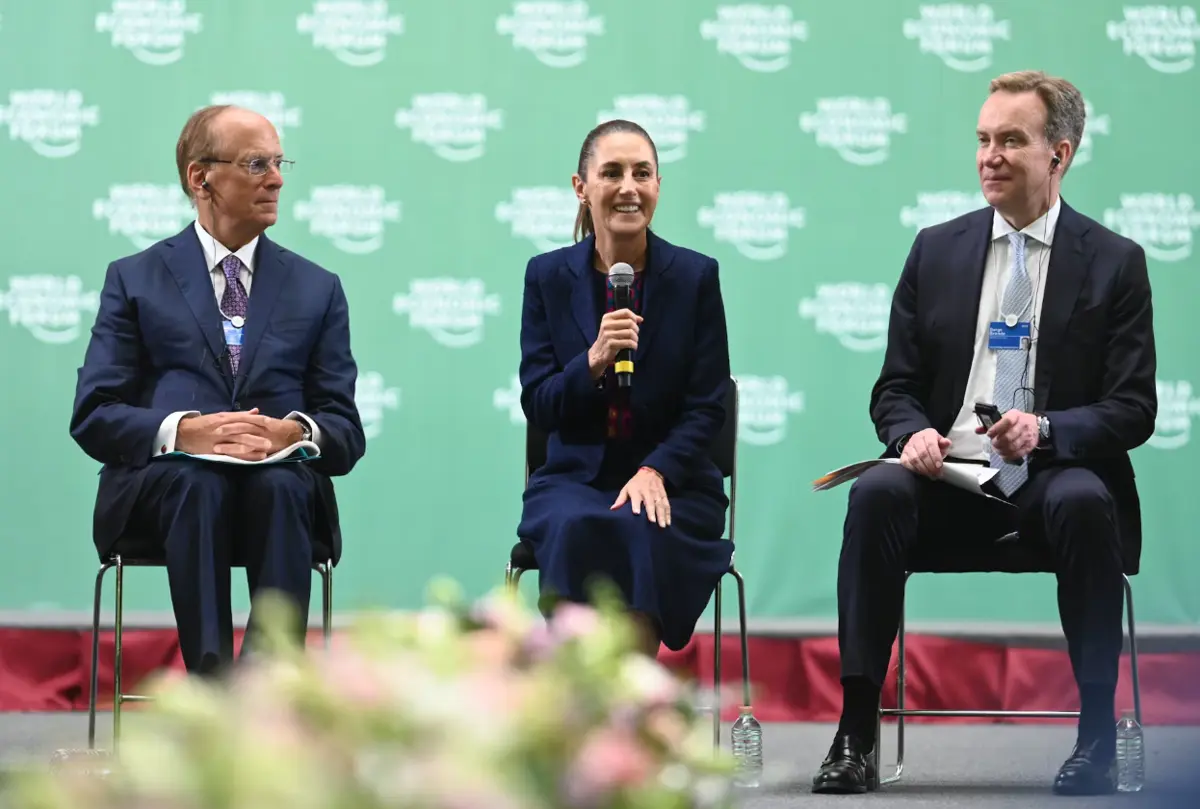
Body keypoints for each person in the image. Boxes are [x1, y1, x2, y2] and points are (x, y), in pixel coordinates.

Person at [812, 70, 1156, 797]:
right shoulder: (935, 250)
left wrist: (1047, 428)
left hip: (1052, 481)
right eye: (982, 139)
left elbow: (1132, 408)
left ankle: (1097, 735)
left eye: (1011, 140)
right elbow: (894, 388)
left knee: (1083, 501)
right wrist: (911, 434)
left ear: (1059, 154)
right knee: (875, 494)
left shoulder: (1114, 261)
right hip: (949, 479)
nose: (990, 156)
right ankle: (855, 732)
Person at [70, 105, 365, 675]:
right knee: (197, 480)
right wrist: (183, 432)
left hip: (280, 493)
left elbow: (345, 431)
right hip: (164, 492)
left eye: (279, 164)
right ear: (200, 178)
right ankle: (210, 685)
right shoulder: (134, 279)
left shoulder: (317, 288)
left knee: (282, 483)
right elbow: (94, 415)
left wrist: (294, 434)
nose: (276, 180)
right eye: (257, 164)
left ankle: (264, 687)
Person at [515, 119, 734, 657]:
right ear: (581, 187)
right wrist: (593, 360)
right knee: (576, 526)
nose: (628, 187)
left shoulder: (695, 277)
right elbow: (539, 403)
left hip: (674, 482)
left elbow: (708, 406)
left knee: (640, 526)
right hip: (575, 480)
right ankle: (576, 697)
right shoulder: (546, 276)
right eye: (611, 173)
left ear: (658, 184)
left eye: (642, 173)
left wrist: (656, 469)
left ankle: (628, 700)